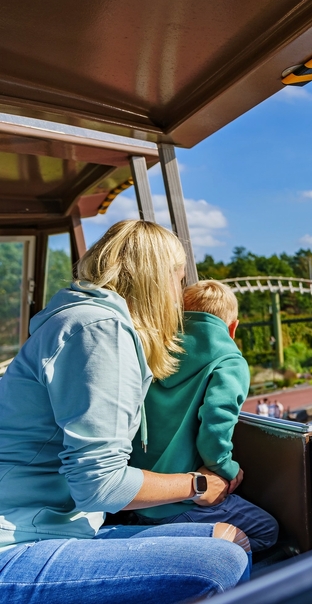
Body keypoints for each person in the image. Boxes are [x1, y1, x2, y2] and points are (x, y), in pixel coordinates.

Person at [0, 221, 249, 603]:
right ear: (157, 279)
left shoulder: (83, 319)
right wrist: (198, 484)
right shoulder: (99, 329)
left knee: (231, 537)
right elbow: (99, 484)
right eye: (178, 280)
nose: (178, 295)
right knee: (222, 563)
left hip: (60, 526)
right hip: (17, 543)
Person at [129, 280, 279, 553]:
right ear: (232, 327)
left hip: (136, 496)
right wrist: (227, 470)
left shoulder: (154, 350)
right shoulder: (229, 360)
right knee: (267, 531)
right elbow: (215, 426)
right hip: (178, 504)